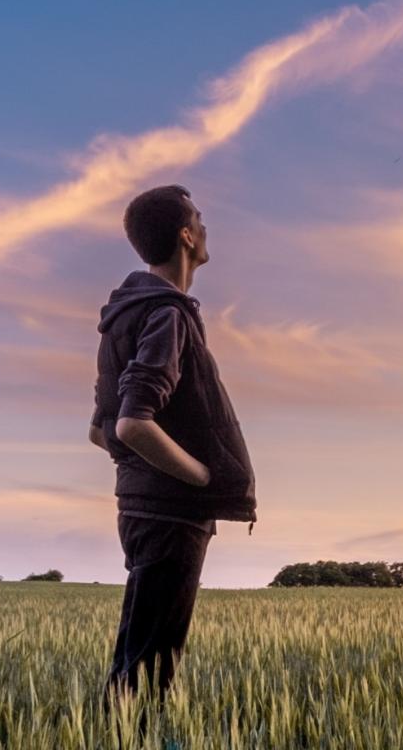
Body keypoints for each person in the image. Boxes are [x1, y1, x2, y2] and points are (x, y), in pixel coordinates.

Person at [90, 184, 259, 703]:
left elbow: (100, 428)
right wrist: (202, 478)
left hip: (141, 508)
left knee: (136, 660)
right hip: (171, 513)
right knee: (151, 671)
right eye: (200, 220)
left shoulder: (126, 313)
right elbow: (130, 425)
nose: (207, 229)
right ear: (186, 236)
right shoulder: (166, 313)